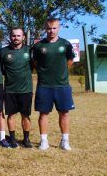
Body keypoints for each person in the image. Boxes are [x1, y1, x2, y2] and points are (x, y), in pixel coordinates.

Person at [32, 18, 75, 151]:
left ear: (59, 28)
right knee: (43, 113)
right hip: (44, 85)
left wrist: (60, 72)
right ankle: (44, 141)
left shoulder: (65, 44)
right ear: (45, 29)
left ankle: (65, 141)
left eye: (54, 28)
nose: (51, 31)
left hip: (62, 85)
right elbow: (35, 63)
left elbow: (70, 60)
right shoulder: (38, 46)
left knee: (64, 113)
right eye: (49, 28)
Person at [0, 28, 34, 148]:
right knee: (11, 115)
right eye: (13, 36)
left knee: (25, 115)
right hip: (10, 89)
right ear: (10, 37)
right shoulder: (3, 51)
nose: (16, 38)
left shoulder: (29, 50)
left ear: (23, 37)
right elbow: (1, 68)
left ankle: (26, 139)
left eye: (18, 36)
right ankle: (13, 140)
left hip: (26, 89)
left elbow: (34, 66)